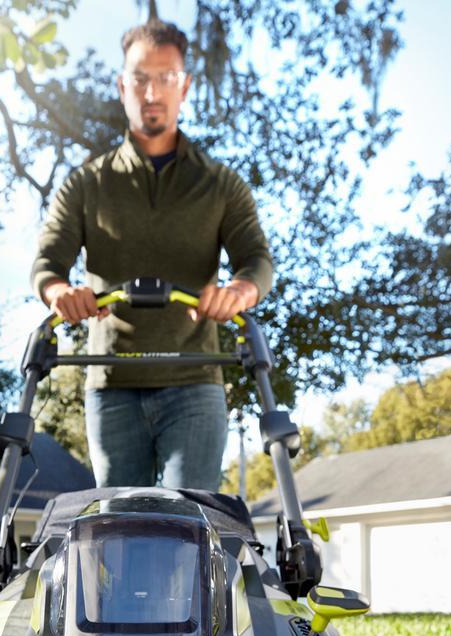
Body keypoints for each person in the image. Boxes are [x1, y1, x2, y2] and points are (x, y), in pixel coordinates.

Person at [31, 18, 273, 491]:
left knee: (190, 524)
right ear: (123, 86)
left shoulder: (220, 184)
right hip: (112, 383)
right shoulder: (86, 184)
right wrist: (61, 293)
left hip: (196, 382)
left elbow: (257, 261)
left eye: (166, 78)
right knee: (119, 532)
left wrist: (240, 292)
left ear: (184, 87)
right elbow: (47, 264)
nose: (152, 91)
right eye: (140, 78)